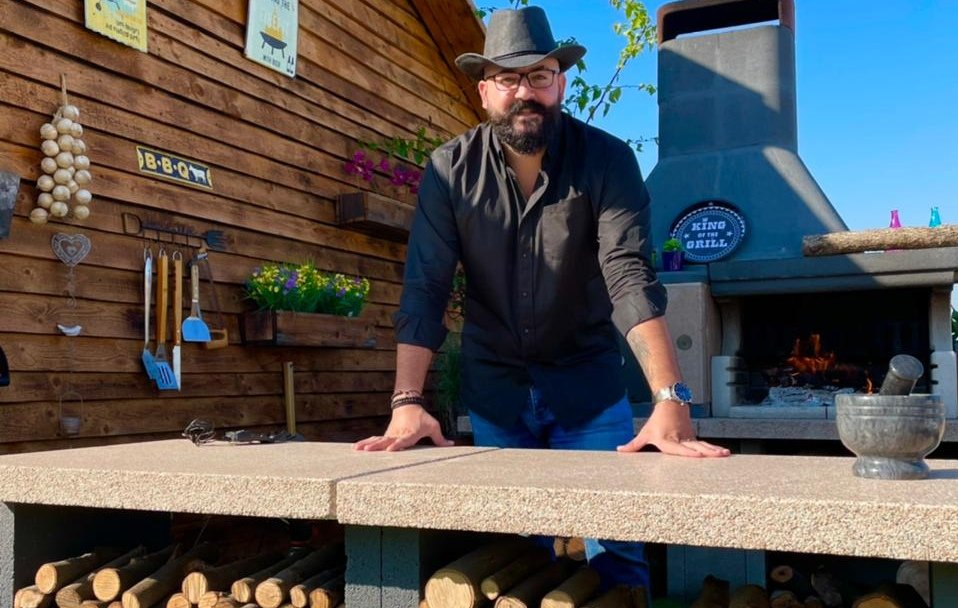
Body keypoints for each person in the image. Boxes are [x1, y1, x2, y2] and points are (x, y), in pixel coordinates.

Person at [355, 5, 730, 593]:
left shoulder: (607, 160)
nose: (524, 92)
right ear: (484, 91)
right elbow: (426, 284)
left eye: (539, 75)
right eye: (508, 78)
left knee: (618, 548)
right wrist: (407, 400)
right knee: (513, 560)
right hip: (496, 391)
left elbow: (628, 275)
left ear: (561, 83)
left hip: (588, 387)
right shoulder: (449, 171)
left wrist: (670, 396)